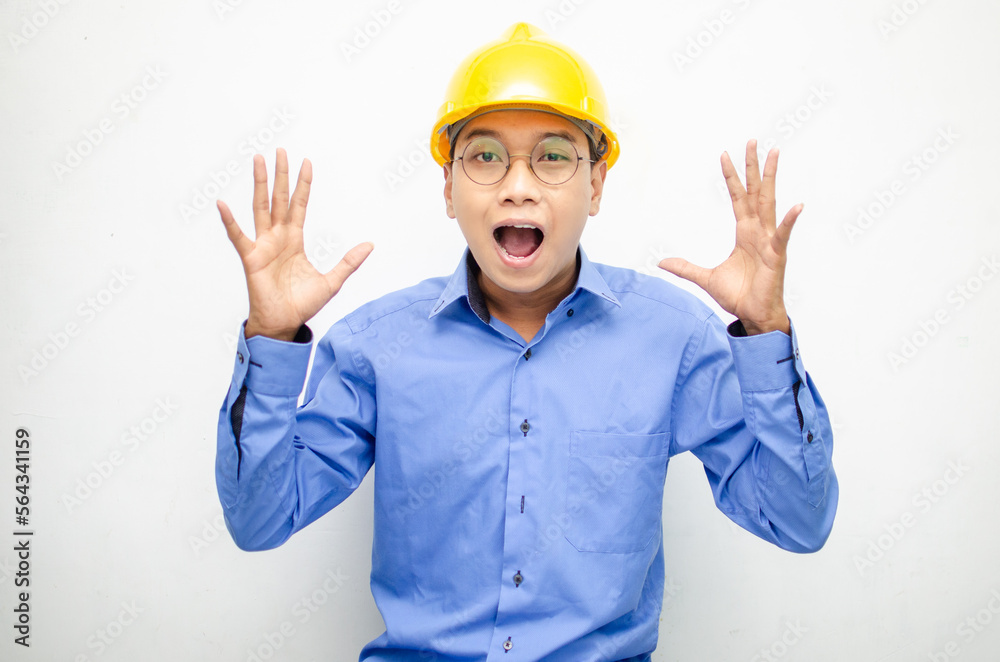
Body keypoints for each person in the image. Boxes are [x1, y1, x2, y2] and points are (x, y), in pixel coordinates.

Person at [214, 22, 837, 661]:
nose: (517, 184)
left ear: (595, 185)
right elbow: (259, 521)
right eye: (484, 156)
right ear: (448, 189)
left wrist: (766, 335)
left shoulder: (672, 339)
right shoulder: (376, 347)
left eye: (553, 156)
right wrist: (273, 338)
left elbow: (797, 521)